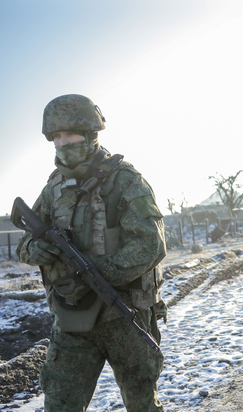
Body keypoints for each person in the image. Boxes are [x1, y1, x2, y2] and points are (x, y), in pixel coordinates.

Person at [16, 94, 167, 412]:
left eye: (69, 134)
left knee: (142, 405)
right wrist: (36, 248)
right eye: (56, 137)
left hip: (124, 316)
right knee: (59, 405)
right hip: (71, 319)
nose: (62, 142)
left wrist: (97, 274)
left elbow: (150, 244)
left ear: (90, 133)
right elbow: (24, 243)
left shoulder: (125, 180)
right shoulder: (55, 186)